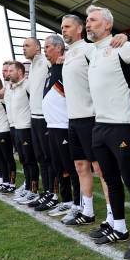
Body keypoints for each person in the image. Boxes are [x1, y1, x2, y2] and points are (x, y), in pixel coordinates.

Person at [85, 5, 130, 260]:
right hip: (99, 125)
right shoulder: (92, 52)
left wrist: (127, 38)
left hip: (122, 124)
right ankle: (119, 227)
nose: (88, 24)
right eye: (87, 21)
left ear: (108, 25)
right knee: (110, 180)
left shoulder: (124, 47)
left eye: (93, 20)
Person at [59, 15, 120, 227]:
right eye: (62, 27)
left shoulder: (89, 49)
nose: (63, 30)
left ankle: (113, 216)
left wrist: (121, 36)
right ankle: (88, 211)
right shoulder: (69, 54)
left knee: (101, 169)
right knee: (79, 166)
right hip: (73, 119)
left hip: (91, 118)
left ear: (79, 29)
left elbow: (109, 49)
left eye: (67, 26)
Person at [39, 34, 81, 216]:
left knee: (72, 168)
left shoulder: (66, 65)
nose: (45, 50)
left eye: (47, 47)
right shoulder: (52, 69)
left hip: (64, 125)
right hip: (52, 126)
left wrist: (68, 56)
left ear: (58, 48)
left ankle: (79, 204)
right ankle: (67, 200)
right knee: (59, 167)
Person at [22, 37, 57, 210]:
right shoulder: (33, 66)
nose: (23, 48)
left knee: (49, 157)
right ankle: (47, 191)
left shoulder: (45, 62)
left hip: (45, 117)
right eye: (23, 46)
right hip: (34, 117)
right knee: (41, 157)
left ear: (37, 48)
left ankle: (54, 193)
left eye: (27, 45)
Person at [9, 61, 41, 201]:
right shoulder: (14, 87)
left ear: (20, 72)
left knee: (30, 160)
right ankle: (27, 187)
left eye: (11, 71)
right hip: (17, 128)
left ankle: (34, 191)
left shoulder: (27, 85)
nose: (9, 73)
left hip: (27, 128)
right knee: (23, 160)